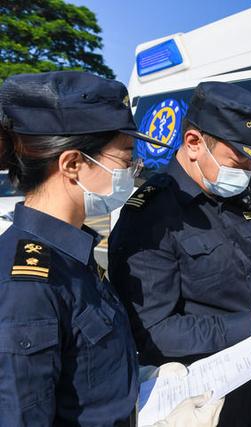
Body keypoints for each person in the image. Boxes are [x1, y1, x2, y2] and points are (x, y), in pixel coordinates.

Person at [108, 81, 251, 427]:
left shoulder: (235, 196)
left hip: (250, 371)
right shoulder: (151, 217)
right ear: (194, 143)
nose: (247, 172)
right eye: (240, 159)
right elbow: (154, 332)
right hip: (198, 398)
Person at [0, 71, 164, 425]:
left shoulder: (71, 253)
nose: (134, 173)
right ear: (73, 164)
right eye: (126, 160)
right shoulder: (27, 287)